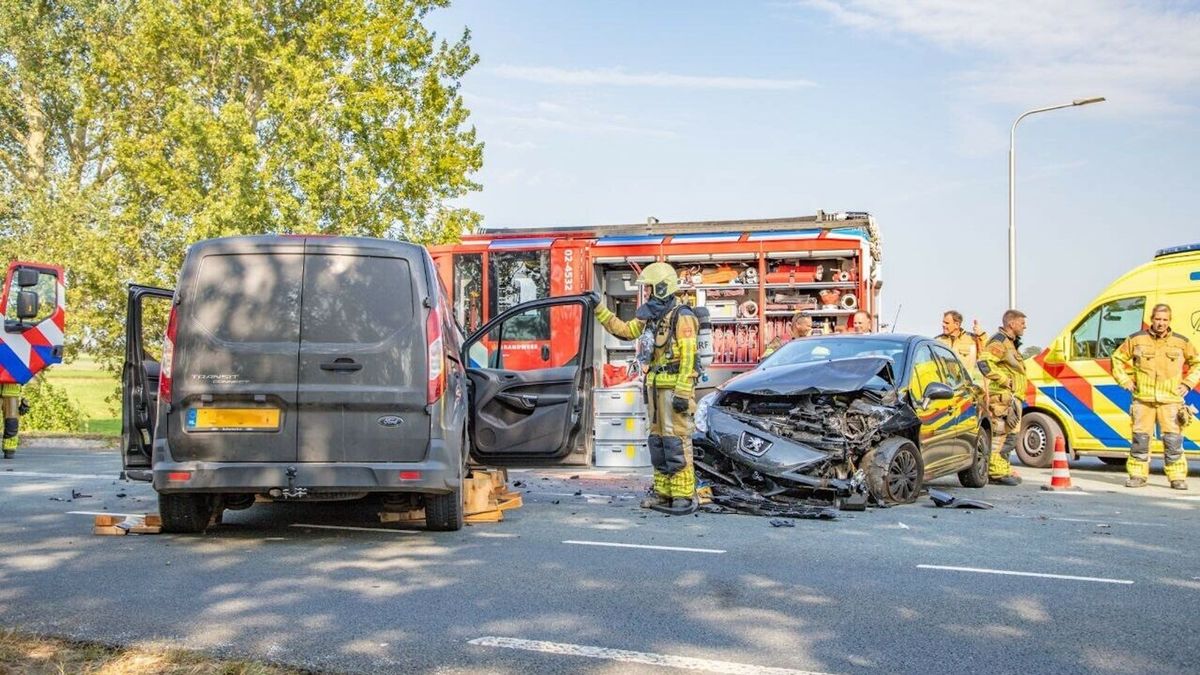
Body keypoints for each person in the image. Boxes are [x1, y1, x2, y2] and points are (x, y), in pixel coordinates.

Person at [594, 262, 700, 513]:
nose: (649, 292)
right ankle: (663, 493)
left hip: (673, 390)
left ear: (664, 287)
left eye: (652, 287)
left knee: (676, 443)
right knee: (658, 443)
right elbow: (625, 331)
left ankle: (683, 495)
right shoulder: (652, 316)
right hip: (654, 388)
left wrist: (683, 392)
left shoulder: (682, 315)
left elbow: (689, 357)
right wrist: (599, 308)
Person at [1111, 303, 1200, 490]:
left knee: (1173, 441)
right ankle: (1137, 475)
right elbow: (1117, 359)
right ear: (1151, 319)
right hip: (1143, 400)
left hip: (1171, 401)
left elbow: (1197, 362)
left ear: (1170, 321)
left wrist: (1188, 383)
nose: (1161, 323)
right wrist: (1124, 380)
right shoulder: (1136, 340)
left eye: (1165, 320)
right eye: (1158, 319)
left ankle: (1177, 477)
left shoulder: (1181, 342)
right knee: (1140, 440)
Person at [978, 309, 1028, 486]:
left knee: (1010, 437)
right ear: (1011, 324)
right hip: (1002, 399)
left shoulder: (1011, 343)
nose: (1025, 327)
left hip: (1012, 398)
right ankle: (995, 473)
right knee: (1000, 436)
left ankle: (1002, 469)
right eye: (1022, 323)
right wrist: (1005, 380)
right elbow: (984, 362)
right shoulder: (999, 341)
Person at [1, 383, 23, 459]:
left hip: (11, 391)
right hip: (12, 390)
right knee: (11, 421)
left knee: (11, 422)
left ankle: (9, 448)